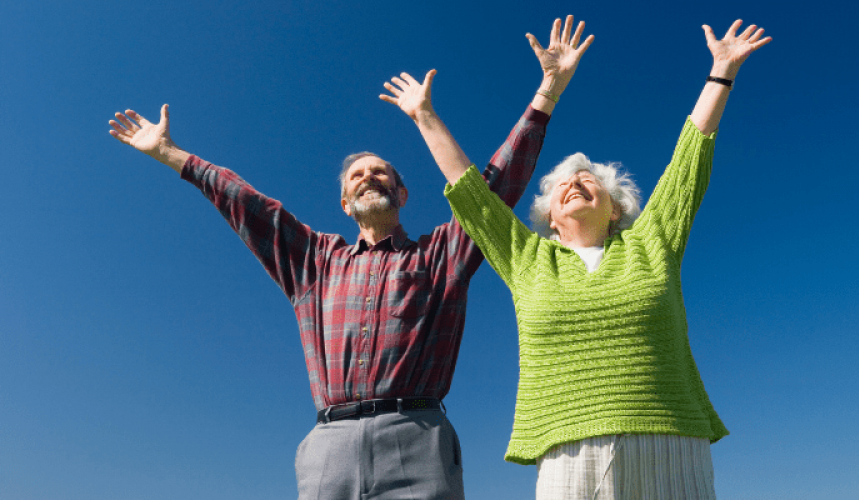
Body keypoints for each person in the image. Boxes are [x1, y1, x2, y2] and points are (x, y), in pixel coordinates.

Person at [108, 15, 593, 500]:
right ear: (344, 202)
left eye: (382, 173)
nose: (369, 177)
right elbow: (249, 205)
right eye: (358, 175)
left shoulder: (442, 254)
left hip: (417, 437)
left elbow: (493, 189)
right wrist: (173, 155)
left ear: (402, 194)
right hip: (330, 447)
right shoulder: (314, 261)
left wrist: (547, 92)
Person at [418, 19, 771, 500]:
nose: (574, 182)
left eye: (590, 180)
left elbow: (689, 159)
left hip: (670, 440)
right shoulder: (528, 258)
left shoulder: (651, 241)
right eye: (562, 182)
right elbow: (471, 195)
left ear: (617, 207)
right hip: (567, 450)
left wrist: (722, 72)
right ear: (550, 216)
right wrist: (425, 115)